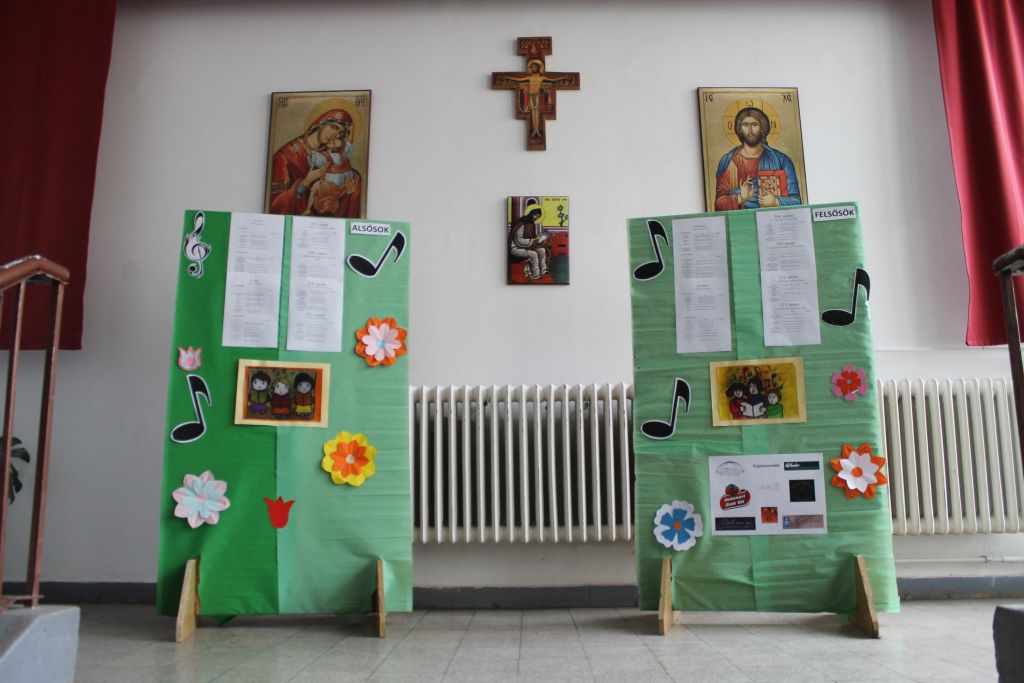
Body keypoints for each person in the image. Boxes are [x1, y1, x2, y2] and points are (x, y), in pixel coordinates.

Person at [269, 109, 362, 218]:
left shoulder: (330, 152)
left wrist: (349, 187)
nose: (335, 135)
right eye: (334, 127)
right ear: (321, 123)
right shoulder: (285, 156)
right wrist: (305, 182)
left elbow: (342, 171)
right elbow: (275, 205)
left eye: (340, 133)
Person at [714, 106, 802, 211]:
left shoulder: (782, 160)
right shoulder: (729, 161)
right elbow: (719, 204)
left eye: (754, 124)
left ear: (762, 128)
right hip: (740, 219)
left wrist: (776, 202)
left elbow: (796, 201)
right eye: (745, 125)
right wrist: (741, 198)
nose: (750, 129)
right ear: (740, 129)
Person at [304, 135, 361, 217]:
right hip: (339, 187)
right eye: (332, 140)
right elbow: (349, 145)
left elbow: (315, 157)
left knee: (314, 189)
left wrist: (307, 149)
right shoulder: (343, 155)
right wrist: (352, 132)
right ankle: (311, 209)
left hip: (331, 185)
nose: (331, 141)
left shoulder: (328, 156)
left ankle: (308, 209)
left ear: (335, 149)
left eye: (334, 143)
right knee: (317, 191)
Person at [509, 200, 550, 280]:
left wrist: (539, 238)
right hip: (516, 248)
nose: (536, 218)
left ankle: (543, 271)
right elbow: (519, 240)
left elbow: (531, 237)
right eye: (536, 215)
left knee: (542, 250)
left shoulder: (531, 224)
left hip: (526, 246)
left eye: (538, 216)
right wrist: (533, 240)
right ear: (531, 213)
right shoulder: (521, 223)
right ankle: (536, 275)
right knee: (533, 254)